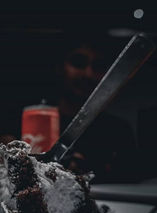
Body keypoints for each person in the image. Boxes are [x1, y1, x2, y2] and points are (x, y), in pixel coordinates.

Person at [54, 41, 138, 183]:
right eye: (78, 63)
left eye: (98, 66)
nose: (88, 74)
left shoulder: (119, 130)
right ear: (60, 67)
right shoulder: (34, 126)